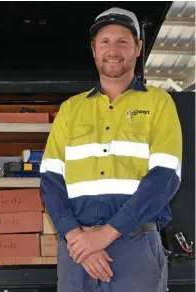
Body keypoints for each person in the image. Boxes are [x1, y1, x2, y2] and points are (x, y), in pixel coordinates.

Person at [40, 7, 181, 292]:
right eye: (104, 42)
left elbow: (165, 177)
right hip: (78, 248)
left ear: (138, 48)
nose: (112, 50)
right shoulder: (70, 109)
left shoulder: (159, 103)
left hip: (135, 245)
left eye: (122, 41)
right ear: (93, 49)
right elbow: (51, 181)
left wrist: (106, 233)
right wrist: (77, 238)